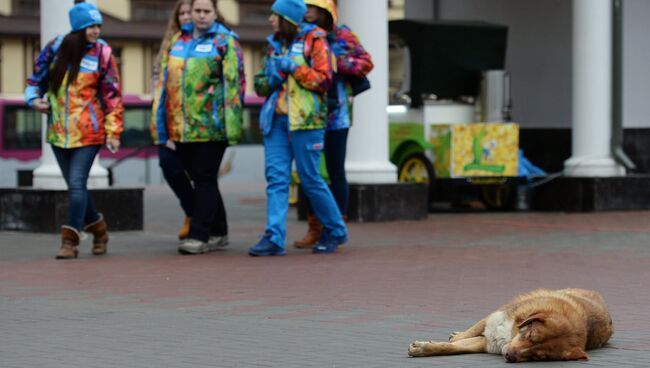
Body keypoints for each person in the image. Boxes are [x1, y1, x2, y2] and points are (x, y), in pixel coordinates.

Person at [24, 2, 123, 259]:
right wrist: (33, 99)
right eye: (91, 25)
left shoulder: (103, 53)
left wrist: (113, 131)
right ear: (79, 26)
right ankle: (100, 232)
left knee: (77, 184)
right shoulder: (56, 48)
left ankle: (69, 241)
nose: (96, 30)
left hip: (89, 133)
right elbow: (35, 80)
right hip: (58, 132)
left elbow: (112, 95)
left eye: (98, 25)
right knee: (75, 186)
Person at [250, 0, 347, 256]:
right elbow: (260, 86)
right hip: (276, 121)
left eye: (275, 15)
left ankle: (336, 230)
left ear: (288, 19)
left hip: (306, 121)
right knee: (276, 180)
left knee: (310, 179)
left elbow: (324, 80)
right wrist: (271, 77)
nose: (270, 19)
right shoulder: (274, 45)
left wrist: (295, 68)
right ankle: (273, 237)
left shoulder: (315, 41)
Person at [151, 0, 245, 255]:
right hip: (180, 126)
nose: (201, 16)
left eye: (206, 11)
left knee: (204, 178)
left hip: (211, 126)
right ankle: (219, 232)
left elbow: (234, 85)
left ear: (215, 13)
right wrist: (161, 124)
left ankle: (199, 235)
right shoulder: (178, 41)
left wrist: (232, 126)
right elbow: (165, 85)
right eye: (197, 11)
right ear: (189, 13)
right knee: (205, 180)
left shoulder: (225, 41)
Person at [293, 0, 373, 249]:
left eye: (311, 5)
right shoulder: (299, 33)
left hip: (336, 115)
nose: (306, 10)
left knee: (336, 170)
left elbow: (366, 62)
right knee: (308, 173)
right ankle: (314, 227)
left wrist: (338, 63)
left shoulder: (342, 34)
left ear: (325, 8)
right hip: (306, 113)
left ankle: (335, 226)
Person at [153, 0, 194, 241]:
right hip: (168, 120)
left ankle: (204, 221)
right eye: (184, 13)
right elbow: (158, 80)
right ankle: (191, 210)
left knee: (200, 174)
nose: (188, 16)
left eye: (192, 12)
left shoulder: (206, 41)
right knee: (169, 165)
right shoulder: (170, 44)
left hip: (196, 122)